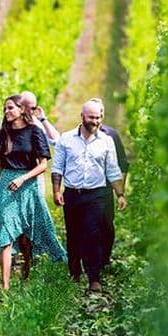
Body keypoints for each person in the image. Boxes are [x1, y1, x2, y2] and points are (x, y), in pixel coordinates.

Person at [0, 95, 67, 290]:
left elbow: (42, 165)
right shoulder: (2, 135)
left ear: (21, 110)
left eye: (10, 108)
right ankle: (5, 284)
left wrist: (23, 178)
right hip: (7, 183)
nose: (7, 112)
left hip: (28, 182)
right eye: (5, 109)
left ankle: (27, 269)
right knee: (5, 231)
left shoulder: (34, 132)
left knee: (24, 234)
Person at [51, 99, 127, 292]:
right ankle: (75, 272)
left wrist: (120, 194)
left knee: (93, 234)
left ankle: (94, 277)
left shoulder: (106, 141)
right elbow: (57, 168)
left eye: (99, 117)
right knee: (74, 234)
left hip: (97, 195)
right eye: (92, 117)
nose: (96, 121)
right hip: (73, 195)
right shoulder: (66, 140)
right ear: (82, 117)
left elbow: (113, 170)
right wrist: (56, 191)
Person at [90, 98, 129, 267]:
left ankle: (105, 257)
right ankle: (91, 260)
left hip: (106, 188)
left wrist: (120, 191)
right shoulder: (78, 135)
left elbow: (122, 163)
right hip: (87, 188)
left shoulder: (111, 135)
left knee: (106, 224)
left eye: (100, 114)